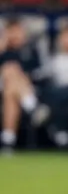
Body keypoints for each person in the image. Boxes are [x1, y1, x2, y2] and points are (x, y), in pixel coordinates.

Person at [0, 17, 49, 154]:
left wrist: (27, 75)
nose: (15, 35)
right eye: (11, 31)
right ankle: (33, 107)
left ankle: (8, 141)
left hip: (25, 87)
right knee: (10, 69)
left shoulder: (32, 49)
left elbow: (42, 72)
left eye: (18, 31)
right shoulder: (3, 50)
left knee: (10, 93)